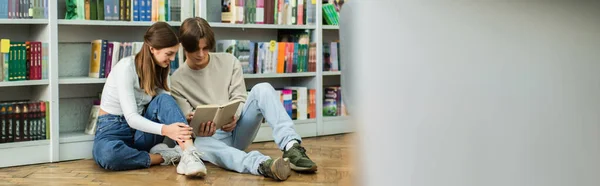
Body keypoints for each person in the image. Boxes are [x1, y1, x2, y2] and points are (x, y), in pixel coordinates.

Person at [170, 17, 318, 181]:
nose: (201, 54)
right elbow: (185, 121)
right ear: (183, 46)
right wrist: (195, 125)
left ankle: (291, 146)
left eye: (205, 48)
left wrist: (235, 116)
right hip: (209, 142)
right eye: (195, 50)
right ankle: (263, 165)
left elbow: (240, 97)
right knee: (198, 145)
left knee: (263, 89)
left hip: (238, 130)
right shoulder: (177, 80)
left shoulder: (229, 61)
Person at [92, 22, 206, 177]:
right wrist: (166, 129)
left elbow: (164, 105)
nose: (172, 59)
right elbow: (131, 118)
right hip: (112, 129)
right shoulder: (126, 67)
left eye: (174, 54)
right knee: (107, 155)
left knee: (165, 99)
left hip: (142, 132)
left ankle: (190, 154)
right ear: (152, 49)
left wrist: (179, 116)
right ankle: (163, 157)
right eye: (169, 53)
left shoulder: (160, 70)